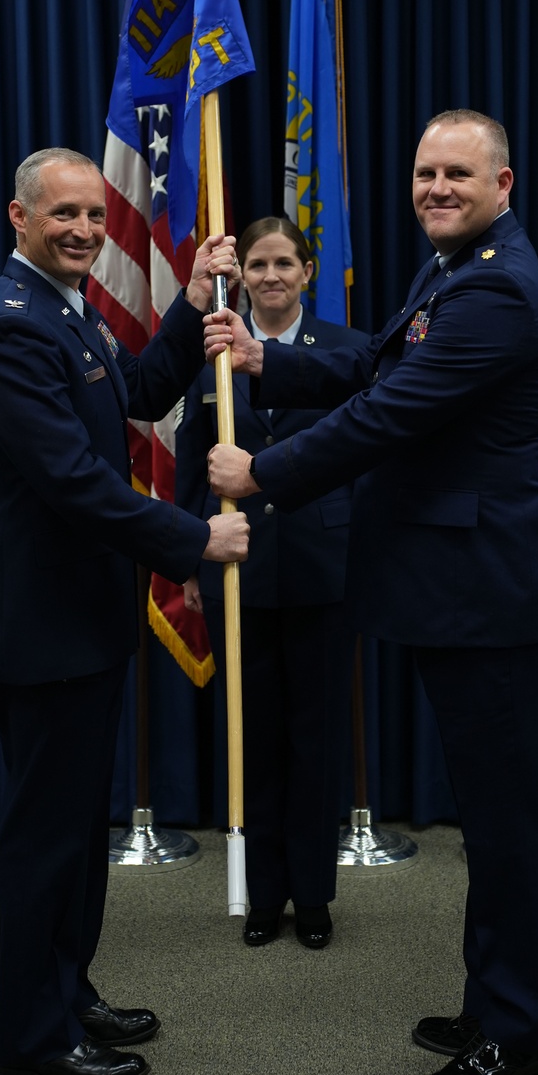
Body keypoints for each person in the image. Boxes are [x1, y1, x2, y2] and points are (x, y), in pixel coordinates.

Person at [205, 110, 538, 1075]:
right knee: (491, 821)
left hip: (498, 598)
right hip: (467, 595)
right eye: (425, 172)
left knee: (511, 830)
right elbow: (382, 365)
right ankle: (497, 1000)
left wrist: (263, 470)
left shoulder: (498, 289)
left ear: (502, 184)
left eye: (456, 175)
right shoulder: (457, 268)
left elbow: (391, 412)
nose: (434, 188)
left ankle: (522, 1038)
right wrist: (273, 364)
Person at [0, 148, 249, 1075]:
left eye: (93, 214)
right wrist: (191, 539)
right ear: (20, 217)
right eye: (64, 215)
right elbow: (76, 485)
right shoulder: (8, 330)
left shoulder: (66, 311)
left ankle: (66, 989)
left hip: (83, 618)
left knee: (82, 831)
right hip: (41, 625)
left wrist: (193, 299)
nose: (85, 229)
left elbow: (139, 396)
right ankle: (30, 1037)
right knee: (45, 837)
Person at [176, 217, 368, 950]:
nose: (271, 276)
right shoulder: (212, 356)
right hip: (240, 568)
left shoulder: (348, 353)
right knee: (252, 738)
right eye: (257, 264)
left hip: (325, 568)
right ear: (240, 276)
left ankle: (314, 897)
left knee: (316, 741)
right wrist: (194, 561)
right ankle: (265, 894)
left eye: (285, 262)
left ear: (309, 270)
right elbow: (193, 468)